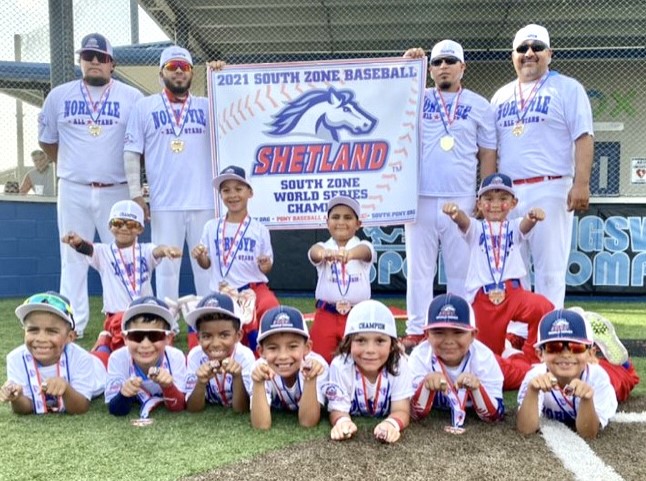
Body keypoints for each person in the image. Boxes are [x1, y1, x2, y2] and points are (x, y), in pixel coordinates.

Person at [38, 33, 144, 339]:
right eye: (88, 56)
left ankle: (131, 318)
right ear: (80, 61)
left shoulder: (131, 96)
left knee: (125, 255)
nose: (94, 61)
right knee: (72, 256)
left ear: (112, 63)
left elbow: (138, 146)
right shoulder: (59, 95)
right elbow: (48, 143)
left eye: (101, 57)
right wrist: (75, 168)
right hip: (74, 187)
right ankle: (74, 324)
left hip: (117, 187)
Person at [490, 24, 594, 312]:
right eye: (522, 49)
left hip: (550, 185)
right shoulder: (500, 96)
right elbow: (491, 149)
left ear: (550, 54)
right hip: (508, 193)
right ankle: (518, 336)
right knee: (511, 270)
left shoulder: (568, 88)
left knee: (550, 269)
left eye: (536, 47)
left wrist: (581, 183)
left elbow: (583, 137)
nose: (529, 53)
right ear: (513, 56)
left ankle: (550, 333)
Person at [401, 40, 497, 349]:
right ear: (429, 70)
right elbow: (388, 99)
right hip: (420, 197)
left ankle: (459, 324)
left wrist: (486, 192)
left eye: (450, 61)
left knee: (461, 270)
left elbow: (487, 153)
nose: (444, 66)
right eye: (438, 62)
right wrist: (406, 66)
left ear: (462, 67)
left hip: (462, 197)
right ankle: (417, 330)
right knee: (419, 269)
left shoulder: (480, 104)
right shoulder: (416, 96)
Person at [442, 173, 554, 390]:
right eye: (488, 199)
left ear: (514, 203)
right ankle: (515, 371)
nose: (495, 205)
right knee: (487, 353)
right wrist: (455, 214)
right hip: (484, 297)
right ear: (479, 203)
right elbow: (464, 222)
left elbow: (524, 227)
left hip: (512, 292)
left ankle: (534, 360)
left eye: (502, 198)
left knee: (543, 308)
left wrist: (533, 217)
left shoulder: (513, 226)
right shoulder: (475, 228)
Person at [124, 45, 215, 309]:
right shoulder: (144, 107)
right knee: (165, 266)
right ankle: (168, 322)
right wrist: (136, 195)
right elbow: (131, 152)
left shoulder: (208, 105)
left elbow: (233, 108)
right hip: (164, 202)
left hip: (204, 200)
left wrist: (221, 74)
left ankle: (207, 318)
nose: (178, 72)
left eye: (184, 67)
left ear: (192, 73)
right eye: (172, 67)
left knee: (206, 265)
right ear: (161, 72)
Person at [61, 200, 182, 366]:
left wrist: (165, 249)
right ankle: (108, 342)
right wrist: (77, 242)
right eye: (118, 223)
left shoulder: (145, 250)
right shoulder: (103, 252)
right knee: (124, 357)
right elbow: (88, 248)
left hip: (145, 315)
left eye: (131, 224)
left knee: (163, 347)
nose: (124, 228)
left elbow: (157, 250)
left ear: (140, 229)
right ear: (110, 226)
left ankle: (106, 341)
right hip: (118, 317)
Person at [192, 165, 280, 352]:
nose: (232, 195)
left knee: (271, 307)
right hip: (221, 291)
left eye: (238, 189)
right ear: (221, 195)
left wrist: (265, 264)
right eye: (226, 190)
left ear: (250, 192)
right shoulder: (211, 226)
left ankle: (264, 359)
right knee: (199, 317)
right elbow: (206, 264)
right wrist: (201, 257)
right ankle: (201, 364)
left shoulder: (259, 229)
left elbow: (267, 268)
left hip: (253, 289)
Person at [409, 294, 504, 431]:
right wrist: (425, 386)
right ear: (427, 335)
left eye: (458, 332)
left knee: (516, 373)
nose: (449, 341)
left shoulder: (484, 358)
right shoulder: (419, 357)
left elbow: (495, 415)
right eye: (439, 332)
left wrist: (477, 389)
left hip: (500, 366)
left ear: (473, 335)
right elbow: (413, 413)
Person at [517, 309, 617, 439]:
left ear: (591, 353)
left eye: (576, 347)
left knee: (624, 381)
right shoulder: (535, 377)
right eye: (554, 347)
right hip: (581, 367)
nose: (565, 354)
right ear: (540, 354)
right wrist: (532, 391)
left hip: (605, 378)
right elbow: (526, 429)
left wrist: (587, 399)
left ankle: (626, 366)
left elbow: (589, 433)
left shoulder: (597, 378)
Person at [0, 292, 106, 415]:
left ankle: (104, 341)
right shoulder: (15, 358)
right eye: (33, 330)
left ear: (70, 337)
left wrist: (66, 389)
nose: (41, 338)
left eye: (51, 331)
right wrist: (17, 398)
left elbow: (81, 408)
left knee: (104, 352)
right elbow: (26, 408)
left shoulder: (82, 358)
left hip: (100, 366)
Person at [325, 300, 413, 444]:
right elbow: (337, 409)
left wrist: (391, 424)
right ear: (348, 342)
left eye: (379, 341)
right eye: (360, 340)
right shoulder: (340, 365)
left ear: (393, 344)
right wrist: (342, 421)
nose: (370, 350)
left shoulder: (400, 363)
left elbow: (402, 409)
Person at [307, 195, 375, 363]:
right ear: (327, 222)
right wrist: (324, 254)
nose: (341, 222)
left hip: (358, 314)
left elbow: (365, 252)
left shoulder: (364, 245)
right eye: (335, 217)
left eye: (348, 217)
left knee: (358, 362)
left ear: (358, 224)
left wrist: (349, 254)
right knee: (318, 361)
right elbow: (314, 253)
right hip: (326, 314)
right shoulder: (324, 246)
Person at [104, 297, 186, 418]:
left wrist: (169, 387)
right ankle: (104, 341)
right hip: (102, 361)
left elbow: (179, 407)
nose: (145, 345)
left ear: (168, 338)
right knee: (101, 356)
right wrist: (123, 394)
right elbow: (115, 409)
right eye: (136, 336)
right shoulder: (117, 358)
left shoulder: (176, 357)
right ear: (125, 338)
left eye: (155, 335)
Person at [250, 305, 328, 430]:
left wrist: (310, 379)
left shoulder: (316, 365)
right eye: (273, 348)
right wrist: (258, 383)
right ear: (261, 351)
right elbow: (261, 425)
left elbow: (308, 422)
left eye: (292, 346)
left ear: (307, 347)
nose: (283, 356)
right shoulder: (260, 368)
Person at [184, 292, 255, 413]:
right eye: (206, 336)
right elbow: (192, 408)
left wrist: (237, 377)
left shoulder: (245, 356)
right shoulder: (195, 356)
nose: (216, 343)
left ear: (238, 336)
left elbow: (242, 409)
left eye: (224, 335)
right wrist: (201, 382)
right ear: (198, 338)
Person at [567, 307, 640, 403]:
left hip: (607, 378)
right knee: (623, 377)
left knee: (602, 381)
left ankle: (578, 342)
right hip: (619, 374)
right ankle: (626, 366)